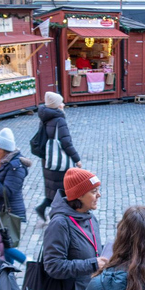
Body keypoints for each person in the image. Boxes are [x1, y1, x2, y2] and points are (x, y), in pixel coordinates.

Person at [0, 128, 30, 266]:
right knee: (6, 244)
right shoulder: (4, 163)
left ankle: (29, 263)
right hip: (2, 210)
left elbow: (7, 191)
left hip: (11, 211)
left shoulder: (15, 166)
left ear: (6, 149)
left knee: (6, 246)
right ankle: (9, 272)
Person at [35, 92, 82, 223]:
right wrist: (77, 159)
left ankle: (43, 207)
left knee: (53, 187)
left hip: (48, 159)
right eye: (61, 102)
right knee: (62, 189)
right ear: (56, 105)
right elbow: (66, 142)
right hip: (58, 160)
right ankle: (61, 216)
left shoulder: (45, 117)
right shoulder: (59, 120)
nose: (63, 104)